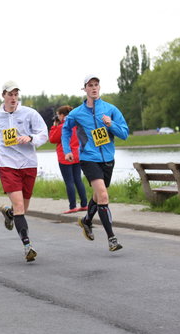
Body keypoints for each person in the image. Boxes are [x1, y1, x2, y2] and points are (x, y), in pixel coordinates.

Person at [62, 75, 129, 252]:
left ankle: (86, 221)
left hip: (108, 159)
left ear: (99, 87)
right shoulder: (76, 113)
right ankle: (112, 239)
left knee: (98, 196)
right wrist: (68, 150)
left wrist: (111, 124)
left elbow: (124, 133)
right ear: (84, 89)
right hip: (88, 158)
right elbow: (65, 130)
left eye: (96, 85)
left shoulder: (110, 109)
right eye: (90, 85)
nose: (93, 88)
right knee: (104, 196)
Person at [0, 81, 48, 262]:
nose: (13, 98)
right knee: (20, 207)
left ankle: (10, 213)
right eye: (10, 94)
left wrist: (31, 138)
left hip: (28, 163)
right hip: (6, 163)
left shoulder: (29, 113)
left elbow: (44, 133)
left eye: (15, 94)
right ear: (3, 95)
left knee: (22, 209)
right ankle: (27, 246)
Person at [49, 105, 88, 213]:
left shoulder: (62, 126)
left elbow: (52, 139)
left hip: (65, 156)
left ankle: (72, 206)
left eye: (58, 115)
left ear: (62, 115)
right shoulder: (76, 124)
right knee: (78, 180)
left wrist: (54, 126)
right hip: (77, 155)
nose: (58, 118)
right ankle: (84, 204)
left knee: (69, 182)